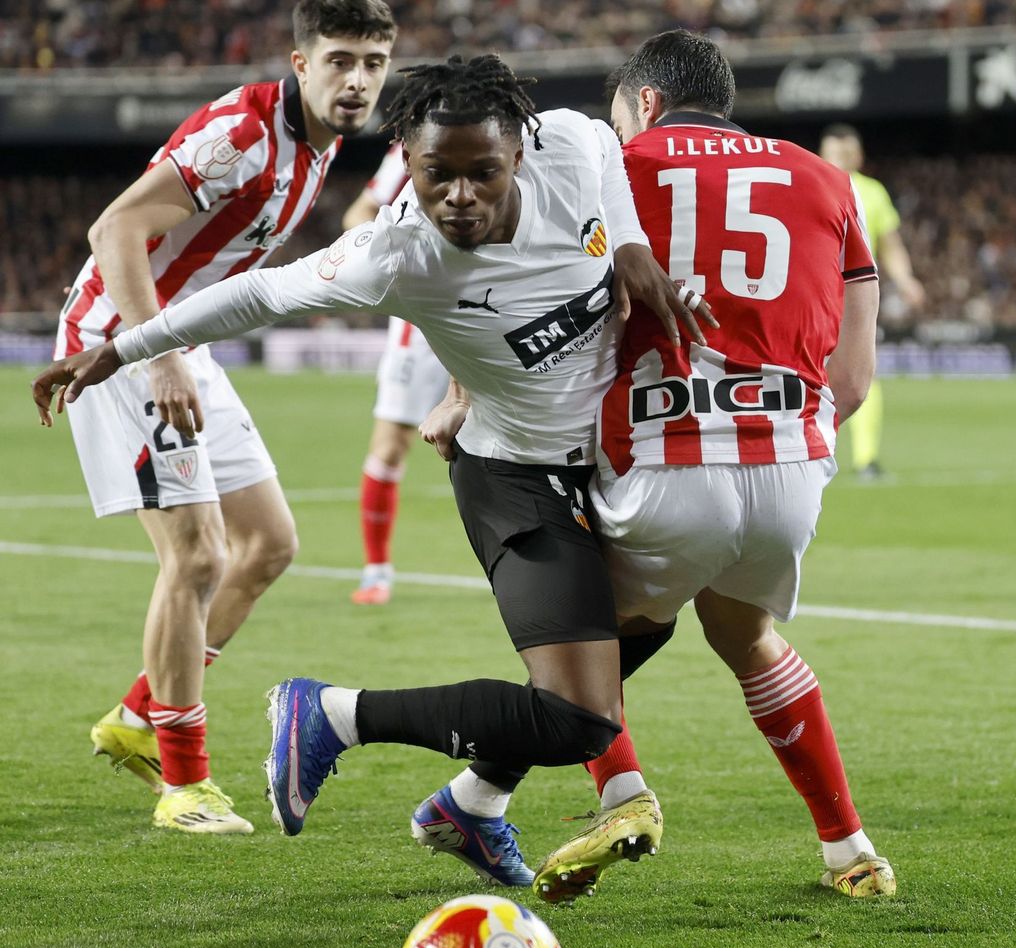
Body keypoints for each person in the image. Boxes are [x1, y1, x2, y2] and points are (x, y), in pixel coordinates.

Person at [35, 54, 712, 886]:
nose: (458, 197)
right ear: (410, 167)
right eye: (436, 176)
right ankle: (329, 716)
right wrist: (127, 348)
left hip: (601, 466)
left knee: (650, 620)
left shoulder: (571, 147)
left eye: (481, 175)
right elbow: (258, 296)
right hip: (513, 478)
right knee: (578, 718)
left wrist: (634, 245)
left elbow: (607, 153)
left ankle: (473, 806)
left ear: (522, 156)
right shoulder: (396, 252)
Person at [526, 30, 894, 902]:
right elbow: (853, 379)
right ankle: (851, 851)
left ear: (645, 104)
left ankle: (620, 797)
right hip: (789, 469)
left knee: (570, 641)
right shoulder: (826, 178)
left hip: (660, 460)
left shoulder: (612, 170)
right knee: (746, 635)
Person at [54, 0, 397, 833]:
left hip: (182, 341)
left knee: (269, 543)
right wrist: (155, 350)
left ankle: (140, 717)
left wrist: (179, 345)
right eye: (340, 59)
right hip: (123, 343)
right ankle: (184, 784)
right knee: (198, 554)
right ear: (300, 60)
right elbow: (117, 226)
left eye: (374, 62)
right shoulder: (244, 131)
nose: (357, 79)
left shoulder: (324, 146)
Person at [341, 142, 452, 604]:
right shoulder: (410, 149)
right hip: (420, 322)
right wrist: (397, 262)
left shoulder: (513, 141)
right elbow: (357, 216)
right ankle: (376, 570)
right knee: (390, 446)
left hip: (494, 307)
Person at [818, 123, 924, 482]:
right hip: (815, 295)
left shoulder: (872, 192)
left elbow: (890, 244)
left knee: (861, 374)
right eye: (834, 153)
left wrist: (906, 278)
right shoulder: (810, 182)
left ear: (858, 156)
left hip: (854, 298)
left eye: (846, 154)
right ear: (822, 154)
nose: (840, 160)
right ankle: (810, 450)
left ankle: (865, 459)